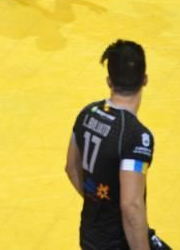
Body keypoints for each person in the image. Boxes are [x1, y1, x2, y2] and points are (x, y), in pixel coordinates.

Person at [65, 40, 170, 250]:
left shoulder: (87, 114)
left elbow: (71, 167)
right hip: (119, 241)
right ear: (145, 79)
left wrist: (100, 204)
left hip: (90, 234)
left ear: (109, 81)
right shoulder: (136, 137)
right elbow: (131, 206)